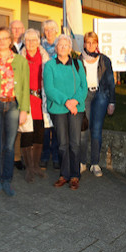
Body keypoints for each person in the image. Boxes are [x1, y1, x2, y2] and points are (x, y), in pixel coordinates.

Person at [0, 27, 30, 198]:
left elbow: (25, 87)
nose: (1, 41)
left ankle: (7, 180)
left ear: (10, 40)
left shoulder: (21, 61)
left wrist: (24, 109)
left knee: (9, 146)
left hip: (13, 106)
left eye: (4, 38)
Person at [43, 35, 87, 190]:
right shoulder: (49, 65)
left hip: (76, 108)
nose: (63, 48)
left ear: (70, 48)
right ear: (56, 48)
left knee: (75, 143)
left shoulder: (77, 64)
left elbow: (83, 86)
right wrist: (66, 102)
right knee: (62, 144)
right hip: (59, 108)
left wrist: (74, 101)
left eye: (66, 45)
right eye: (60, 45)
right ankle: (64, 174)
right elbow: (49, 89)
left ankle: (75, 176)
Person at [78, 32, 116, 177]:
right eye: (88, 42)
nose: (91, 45)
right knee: (83, 130)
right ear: (84, 44)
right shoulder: (78, 60)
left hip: (100, 95)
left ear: (97, 44)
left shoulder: (105, 60)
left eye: (94, 42)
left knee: (96, 129)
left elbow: (111, 82)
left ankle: (95, 163)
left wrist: (112, 101)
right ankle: (81, 162)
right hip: (84, 95)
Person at [19, 29, 51, 182]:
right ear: (24, 41)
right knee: (26, 134)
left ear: (39, 41)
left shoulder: (46, 57)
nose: (31, 43)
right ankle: (29, 167)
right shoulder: (20, 58)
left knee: (39, 133)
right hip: (26, 99)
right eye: (28, 40)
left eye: (34, 40)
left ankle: (36, 165)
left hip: (40, 100)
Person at [40, 19, 60, 170]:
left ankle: (56, 156)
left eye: (52, 30)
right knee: (46, 124)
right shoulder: (39, 46)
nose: (49, 33)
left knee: (57, 123)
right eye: (46, 30)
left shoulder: (62, 45)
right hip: (43, 89)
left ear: (56, 31)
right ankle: (45, 155)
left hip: (58, 89)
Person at [9, 19, 26, 170]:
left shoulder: (28, 45)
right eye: (13, 28)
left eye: (19, 28)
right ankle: (9, 156)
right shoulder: (6, 46)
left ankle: (18, 157)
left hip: (24, 89)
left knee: (21, 125)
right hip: (9, 91)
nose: (16, 31)